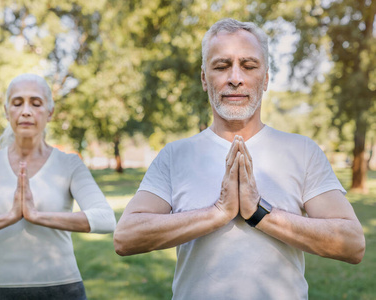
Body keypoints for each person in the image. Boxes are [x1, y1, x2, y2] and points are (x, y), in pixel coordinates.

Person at [113, 18, 365, 300]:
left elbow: (352, 244)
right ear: (204, 79)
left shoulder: (302, 151)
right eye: (221, 66)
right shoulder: (175, 155)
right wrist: (217, 213)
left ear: (266, 78)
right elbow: (125, 237)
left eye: (249, 66)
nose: (235, 78)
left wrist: (259, 213)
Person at [0, 73, 117, 299]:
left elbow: (105, 219)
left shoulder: (69, 164)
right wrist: (8, 217)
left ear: (50, 112)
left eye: (36, 103)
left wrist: (37, 215)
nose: (26, 111)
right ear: (6, 111)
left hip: (62, 289)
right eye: (18, 103)